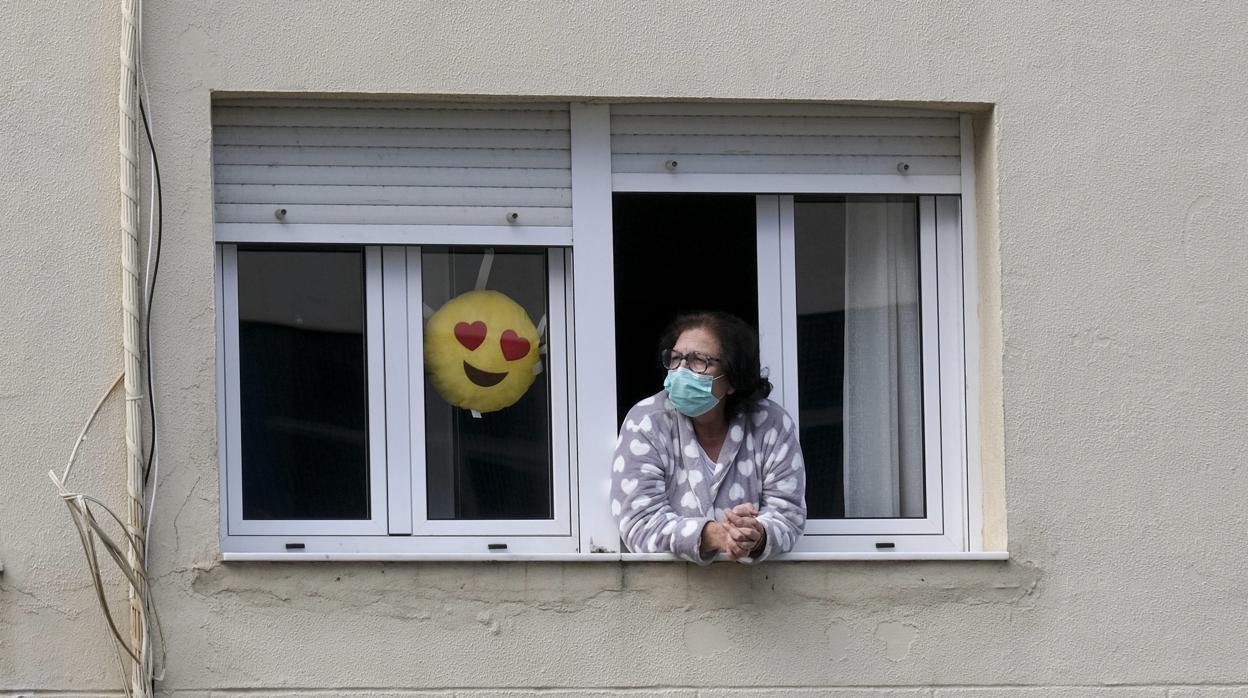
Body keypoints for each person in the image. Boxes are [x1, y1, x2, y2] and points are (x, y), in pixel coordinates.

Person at [611, 311, 806, 564]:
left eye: (698, 361)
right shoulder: (647, 421)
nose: (681, 370)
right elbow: (639, 522)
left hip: (753, 593)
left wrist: (756, 535)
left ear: (732, 379)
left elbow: (787, 515)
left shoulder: (770, 424)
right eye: (676, 358)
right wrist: (714, 535)